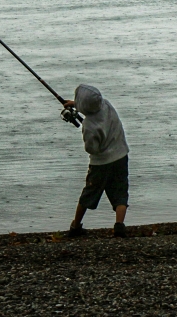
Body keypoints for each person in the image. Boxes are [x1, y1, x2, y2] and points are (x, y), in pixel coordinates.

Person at [64, 84, 130, 238]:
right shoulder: (106, 104)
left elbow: (91, 149)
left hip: (101, 164)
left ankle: (75, 227)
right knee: (120, 192)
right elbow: (92, 107)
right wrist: (76, 105)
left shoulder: (89, 125)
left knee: (89, 193)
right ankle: (119, 225)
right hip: (121, 156)